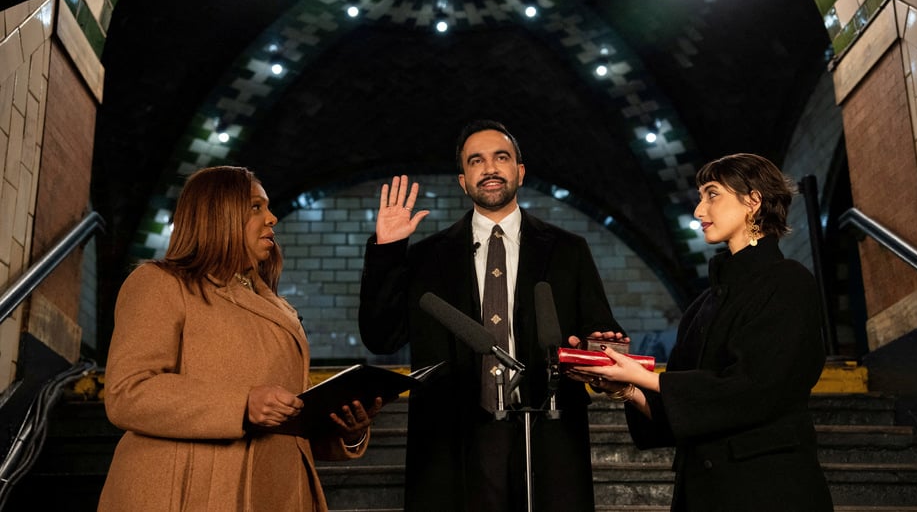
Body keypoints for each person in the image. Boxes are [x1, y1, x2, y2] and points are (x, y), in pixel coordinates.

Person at [359, 119, 629, 512]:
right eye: (476, 161)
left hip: (546, 434)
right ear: (463, 181)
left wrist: (602, 350)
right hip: (453, 443)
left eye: (501, 157)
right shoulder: (426, 257)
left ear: (519, 171)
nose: (489, 168)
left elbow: (598, 330)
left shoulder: (569, 250)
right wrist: (388, 251)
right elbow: (381, 338)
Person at [99, 166, 382, 511]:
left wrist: (346, 430)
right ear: (218, 213)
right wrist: (242, 405)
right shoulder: (159, 283)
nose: (272, 218)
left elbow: (289, 416)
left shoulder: (279, 309)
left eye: (268, 207)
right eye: (255, 207)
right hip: (190, 493)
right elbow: (128, 392)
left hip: (280, 492)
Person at [566, 153, 833, 511]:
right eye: (701, 196)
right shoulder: (701, 306)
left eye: (712, 194)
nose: (698, 211)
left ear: (753, 201)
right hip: (703, 493)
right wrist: (627, 386)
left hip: (769, 490)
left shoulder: (789, 282)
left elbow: (757, 388)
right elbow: (679, 413)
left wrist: (648, 379)